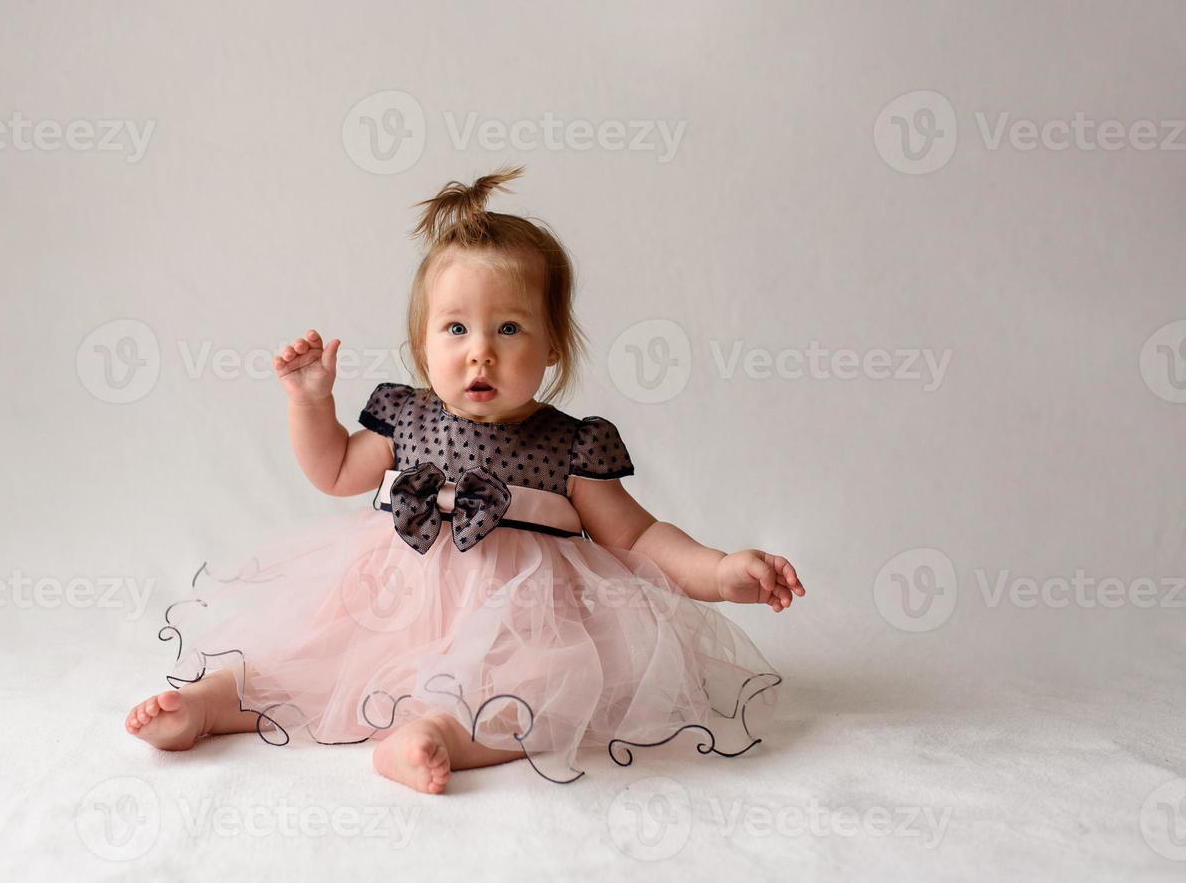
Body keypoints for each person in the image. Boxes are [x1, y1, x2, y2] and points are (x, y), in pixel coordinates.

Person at [126, 166, 804, 793]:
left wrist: (720, 571)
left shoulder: (570, 446)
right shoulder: (407, 419)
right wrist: (309, 402)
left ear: (553, 345)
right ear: (423, 345)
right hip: (391, 602)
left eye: (509, 328)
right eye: (456, 328)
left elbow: (643, 537)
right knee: (322, 655)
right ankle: (208, 705)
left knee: (541, 687)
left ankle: (435, 735)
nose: (480, 350)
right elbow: (333, 470)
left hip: (519, 622)